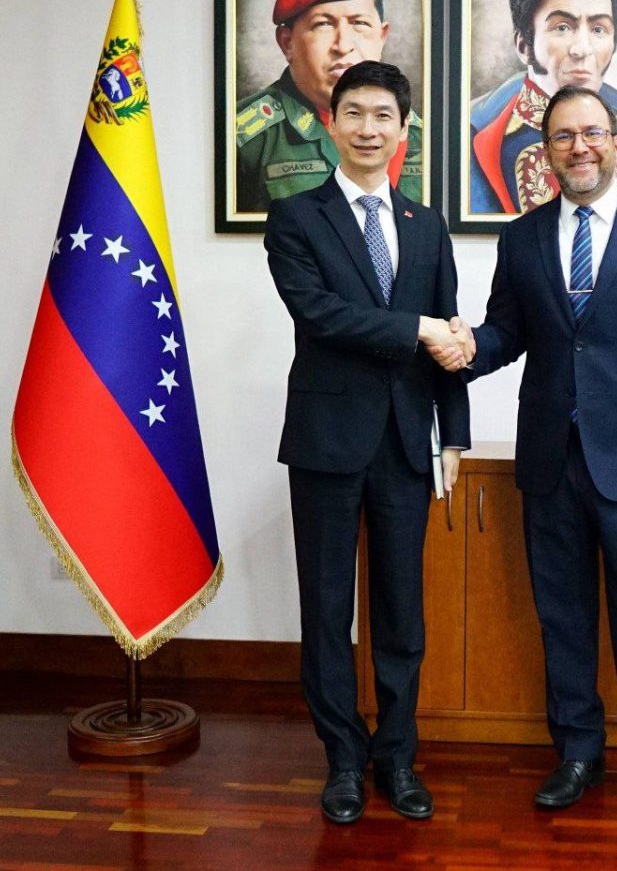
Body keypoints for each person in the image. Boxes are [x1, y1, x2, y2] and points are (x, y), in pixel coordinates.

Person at [433, 86, 617, 821]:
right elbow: (508, 331)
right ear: (547, 151)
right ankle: (577, 753)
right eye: (563, 136)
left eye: (592, 133)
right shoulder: (522, 238)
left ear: (615, 142)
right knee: (562, 615)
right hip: (551, 458)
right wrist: (465, 347)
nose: (579, 147)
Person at [265, 60, 472, 824]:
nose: (367, 128)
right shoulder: (296, 217)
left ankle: (397, 757)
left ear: (403, 128)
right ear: (331, 122)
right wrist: (416, 327)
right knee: (327, 611)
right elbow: (320, 314)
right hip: (325, 440)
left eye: (383, 115)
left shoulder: (426, 224)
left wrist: (454, 434)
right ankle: (343, 761)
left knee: (401, 612)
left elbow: (448, 330)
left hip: (406, 444)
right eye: (353, 112)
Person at [469, 0, 617, 215]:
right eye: (562, 27)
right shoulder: (477, 132)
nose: (582, 49)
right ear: (524, 45)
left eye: (598, 29)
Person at [238, 0, 424, 213]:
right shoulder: (246, 138)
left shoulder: (418, 135)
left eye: (359, 24)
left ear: (382, 37)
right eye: (323, 24)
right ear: (287, 43)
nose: (343, 45)